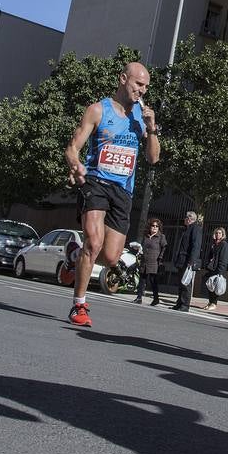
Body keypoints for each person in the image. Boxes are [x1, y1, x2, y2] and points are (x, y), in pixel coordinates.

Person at [63, 62, 160, 327]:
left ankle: (74, 256)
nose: (142, 90)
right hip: (96, 182)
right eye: (138, 84)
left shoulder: (140, 118)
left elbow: (153, 158)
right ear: (122, 79)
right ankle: (79, 305)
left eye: (145, 87)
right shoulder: (97, 110)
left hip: (123, 190)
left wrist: (151, 127)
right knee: (93, 243)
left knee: (110, 258)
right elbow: (72, 147)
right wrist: (76, 165)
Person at [168, 210, 203, 312]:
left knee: (186, 283)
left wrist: (192, 260)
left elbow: (195, 246)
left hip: (187, 260)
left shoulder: (195, 229)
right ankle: (179, 303)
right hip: (181, 260)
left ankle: (185, 304)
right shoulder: (186, 229)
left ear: (189, 219)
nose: (184, 219)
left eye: (185, 217)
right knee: (181, 282)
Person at [134, 218, 167, 305]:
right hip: (144, 261)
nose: (155, 227)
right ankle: (139, 297)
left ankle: (156, 299)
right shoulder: (146, 236)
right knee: (142, 280)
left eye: (157, 226)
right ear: (150, 227)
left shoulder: (161, 237)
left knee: (153, 281)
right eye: (153, 226)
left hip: (154, 262)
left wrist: (160, 258)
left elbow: (164, 248)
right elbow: (143, 247)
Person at [201, 226, 228, 310]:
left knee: (216, 287)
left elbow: (224, 258)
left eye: (220, 233)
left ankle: (214, 303)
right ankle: (210, 302)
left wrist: (220, 271)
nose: (218, 234)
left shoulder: (224, 244)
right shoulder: (214, 244)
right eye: (216, 233)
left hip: (218, 268)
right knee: (210, 286)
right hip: (211, 268)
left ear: (223, 234)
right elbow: (210, 255)